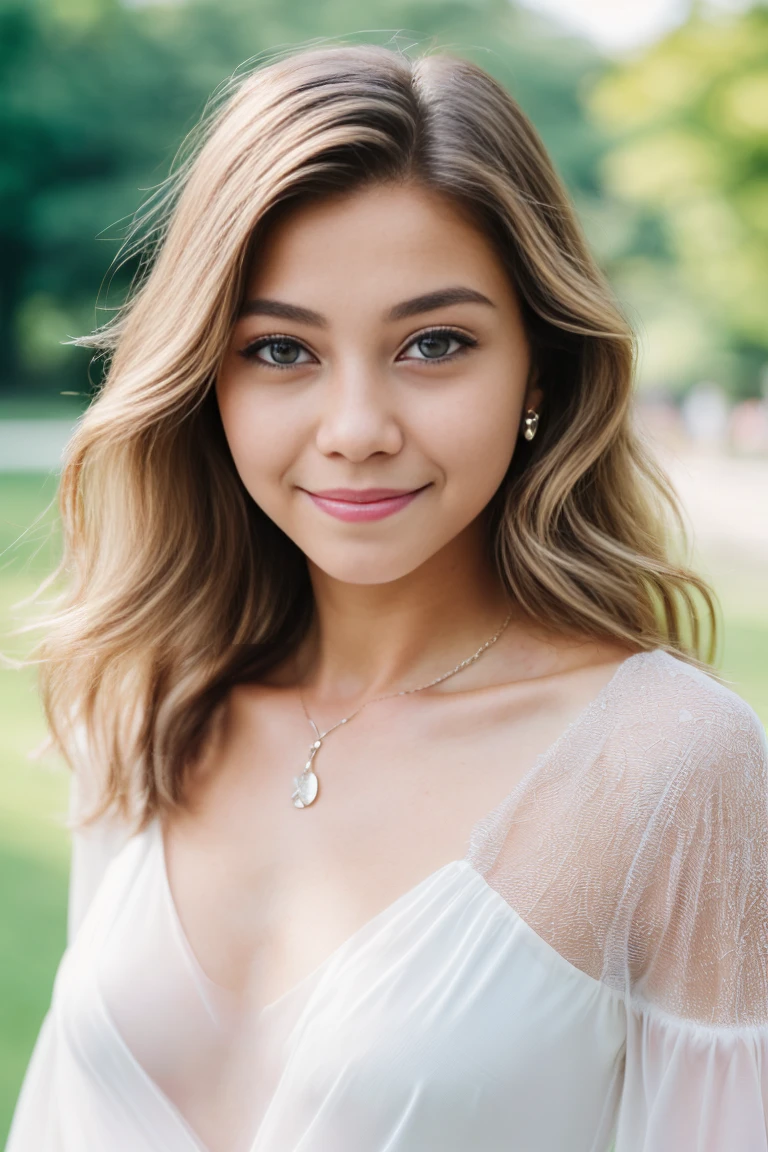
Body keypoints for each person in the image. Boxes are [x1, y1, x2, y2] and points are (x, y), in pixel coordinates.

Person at [7, 42, 768, 1152]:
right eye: (280, 349)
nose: (357, 428)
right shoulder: (148, 702)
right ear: (204, 375)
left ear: (540, 367)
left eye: (434, 343)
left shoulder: (666, 768)